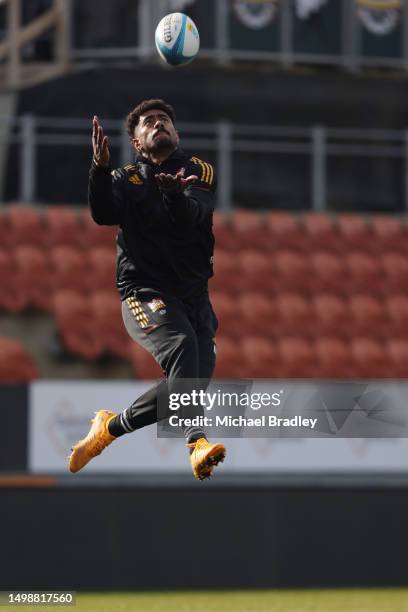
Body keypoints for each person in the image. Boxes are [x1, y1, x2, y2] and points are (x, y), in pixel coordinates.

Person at [68, 99, 226, 480]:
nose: (159, 124)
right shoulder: (126, 178)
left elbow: (192, 219)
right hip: (144, 291)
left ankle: (109, 428)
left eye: (165, 120)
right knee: (184, 348)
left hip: (192, 293)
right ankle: (196, 441)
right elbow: (103, 214)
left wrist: (174, 195)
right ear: (137, 143)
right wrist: (100, 169)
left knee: (190, 381)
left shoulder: (198, 170)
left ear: (176, 133)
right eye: (149, 122)